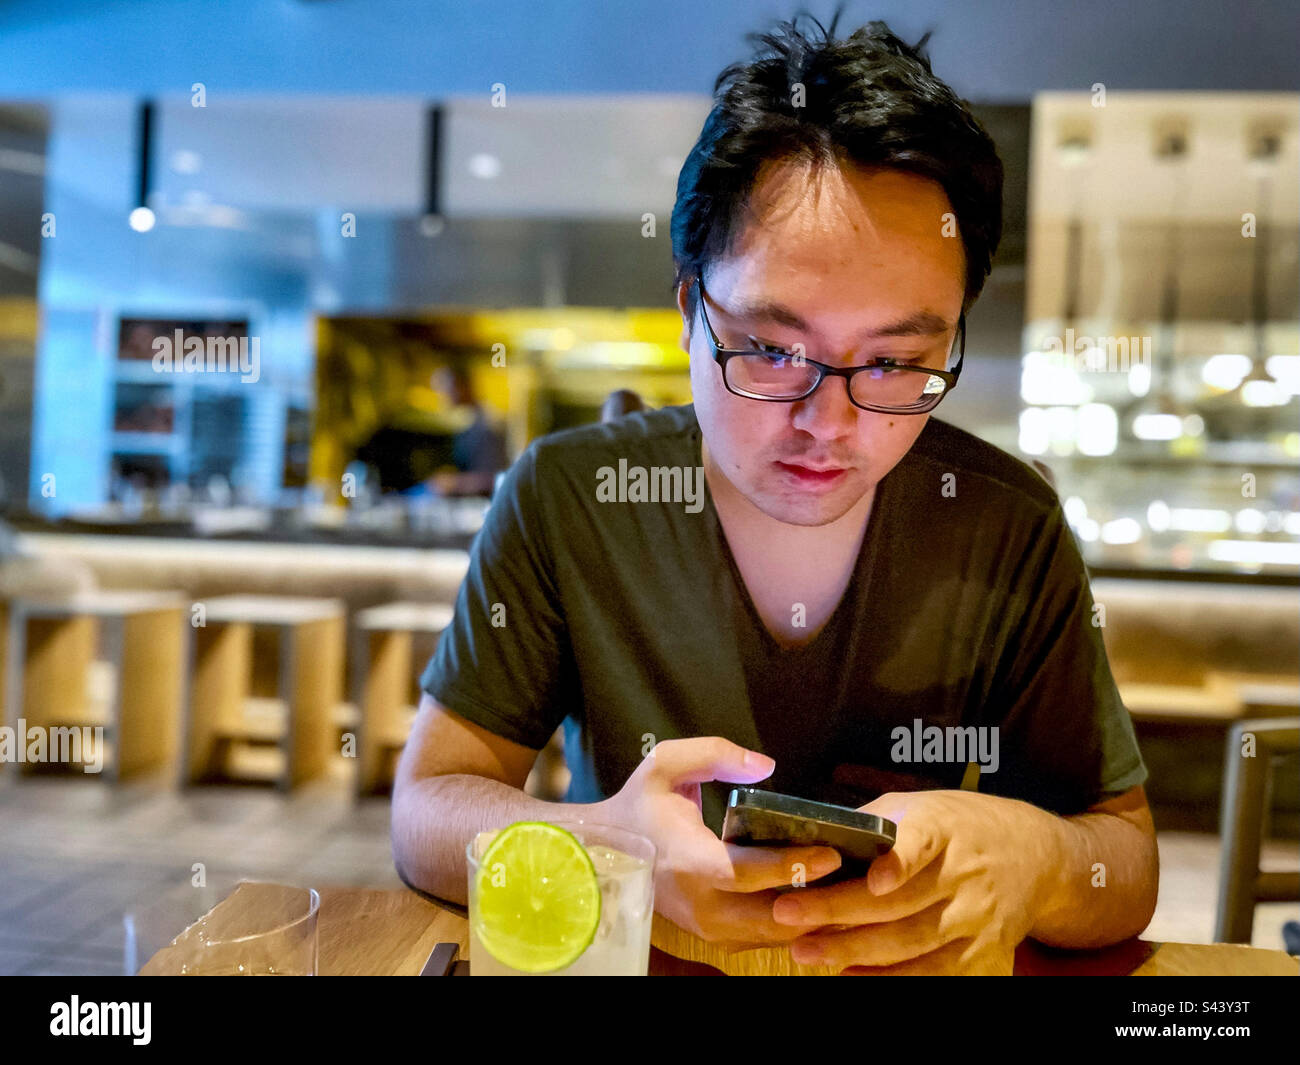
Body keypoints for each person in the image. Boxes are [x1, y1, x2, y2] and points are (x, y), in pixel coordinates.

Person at [392, 12, 1156, 975]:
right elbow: (430, 804)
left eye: (894, 361)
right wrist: (609, 844)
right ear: (687, 307)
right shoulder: (569, 496)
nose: (829, 422)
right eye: (769, 349)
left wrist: (1038, 857)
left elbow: (1124, 858)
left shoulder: (1006, 524)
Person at [427, 364, 508, 497]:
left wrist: (454, 483)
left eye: (444, 387)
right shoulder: (469, 420)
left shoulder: (488, 423)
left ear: (462, 386)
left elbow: (495, 479)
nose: (441, 395)